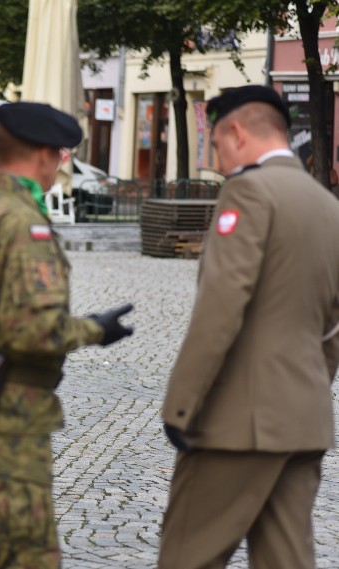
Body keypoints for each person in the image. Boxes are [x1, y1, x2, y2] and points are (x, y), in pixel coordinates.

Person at [0, 101, 134, 565]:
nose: (61, 166)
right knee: (29, 552)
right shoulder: (22, 223)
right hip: (11, 416)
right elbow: (33, 331)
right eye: (61, 155)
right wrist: (95, 330)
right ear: (43, 155)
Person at [158, 85, 339, 569]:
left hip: (239, 423)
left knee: (186, 557)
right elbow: (333, 326)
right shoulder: (326, 204)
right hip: (304, 420)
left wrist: (181, 407)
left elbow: (222, 306)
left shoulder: (249, 190)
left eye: (215, 143)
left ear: (236, 131)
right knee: (287, 560)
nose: (215, 158)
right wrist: (310, 387)